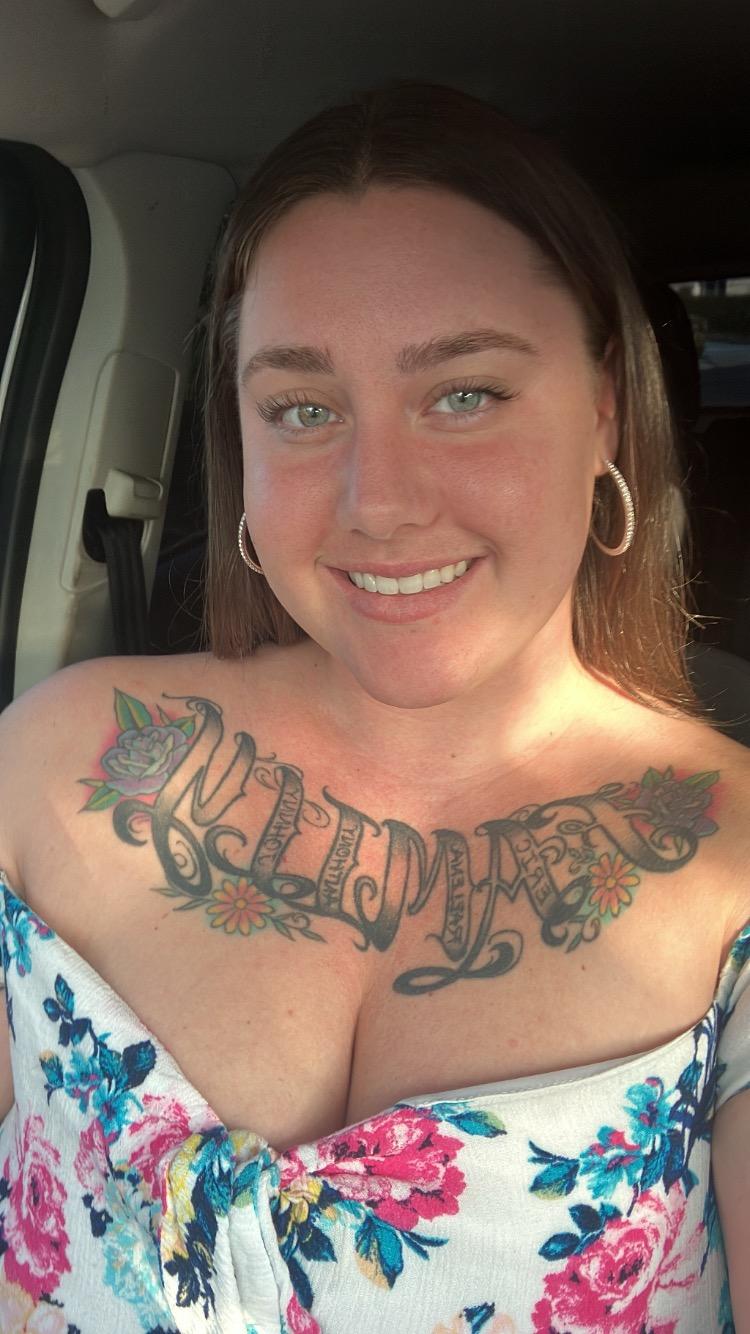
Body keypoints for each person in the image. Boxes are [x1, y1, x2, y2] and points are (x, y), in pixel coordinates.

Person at [0, 81, 747, 1334]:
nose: (379, 500)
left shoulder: (733, 866)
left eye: (465, 393)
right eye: (303, 409)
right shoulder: (55, 760)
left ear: (606, 409)